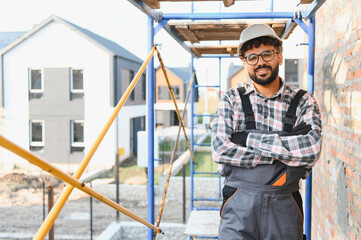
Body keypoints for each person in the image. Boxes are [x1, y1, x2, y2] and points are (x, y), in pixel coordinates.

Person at [211, 24, 322, 240]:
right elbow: (220, 150)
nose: (260, 62)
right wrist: (286, 144)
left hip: (285, 205)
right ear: (245, 63)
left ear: (279, 56)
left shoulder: (303, 102)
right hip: (238, 205)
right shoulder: (232, 99)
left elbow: (311, 150)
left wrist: (246, 139)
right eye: (252, 57)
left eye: (267, 54)